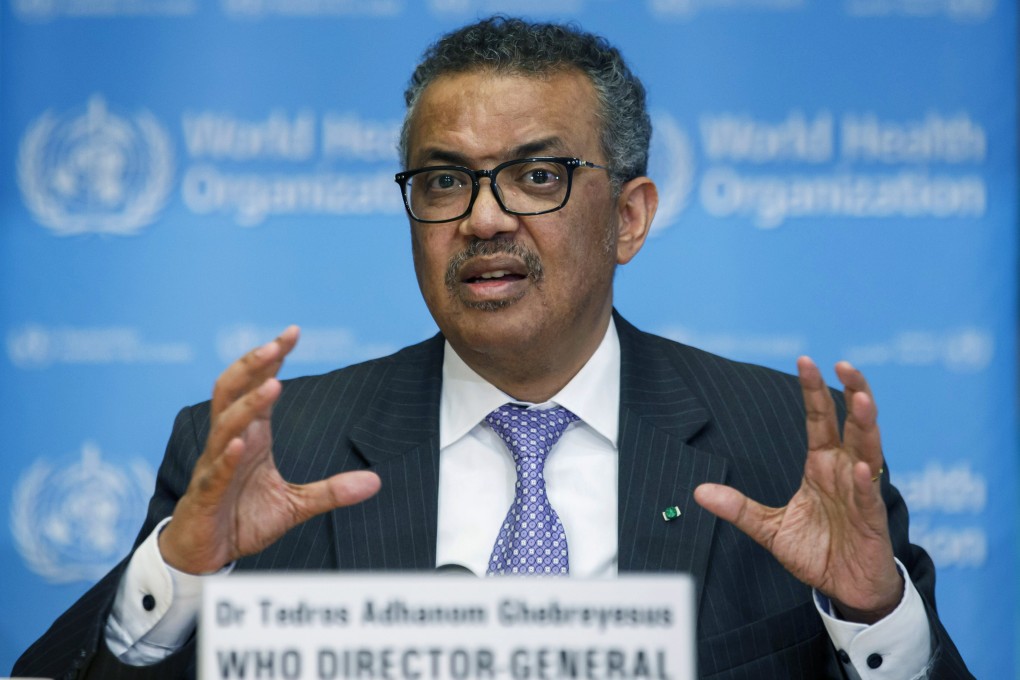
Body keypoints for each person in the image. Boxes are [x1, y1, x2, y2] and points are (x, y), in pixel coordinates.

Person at [14, 16, 972, 680]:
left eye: (537, 175)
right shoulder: (276, 452)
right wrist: (182, 575)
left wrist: (873, 616)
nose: (482, 219)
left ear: (629, 217)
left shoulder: (786, 448)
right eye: (443, 182)